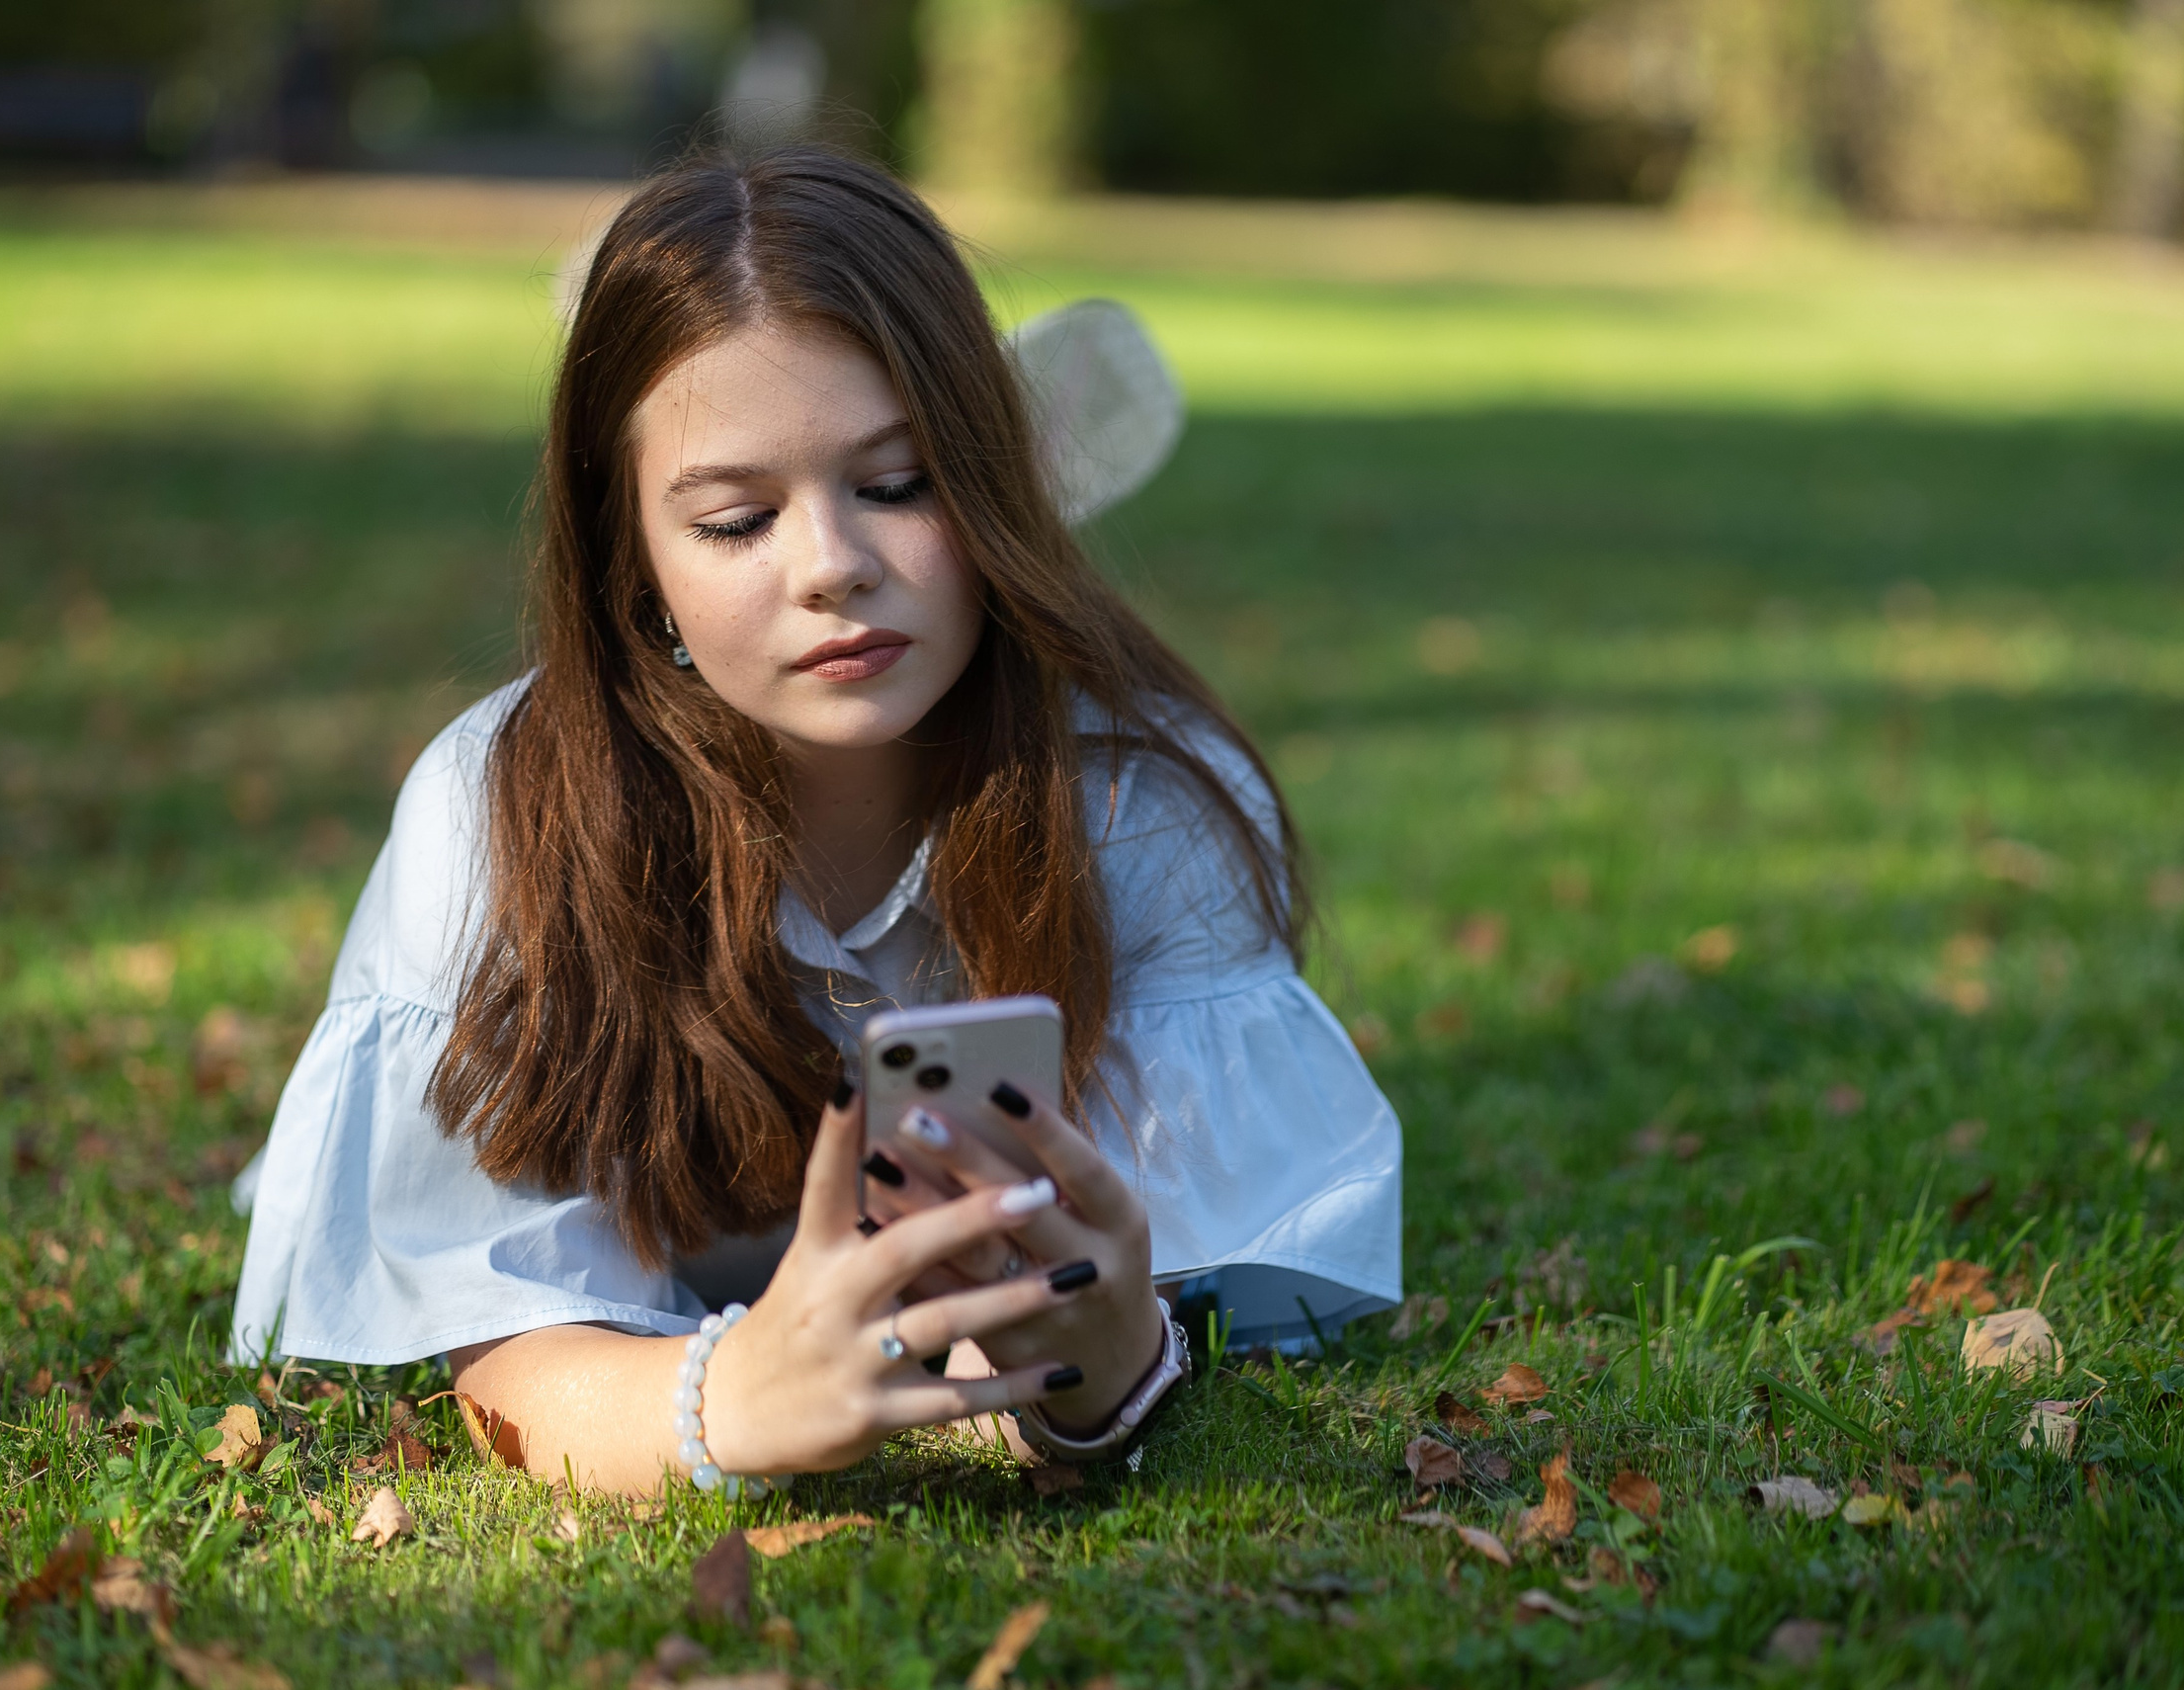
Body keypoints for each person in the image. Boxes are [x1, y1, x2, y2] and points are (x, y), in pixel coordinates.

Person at [228, 147, 1400, 1494]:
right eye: (735, 519)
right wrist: (732, 1399)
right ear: (637, 562)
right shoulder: (499, 812)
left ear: (993, 491)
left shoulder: (1136, 795)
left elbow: (1188, 1288)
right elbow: (504, 1345)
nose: (833, 565)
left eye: (896, 487)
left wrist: (1087, 1377)